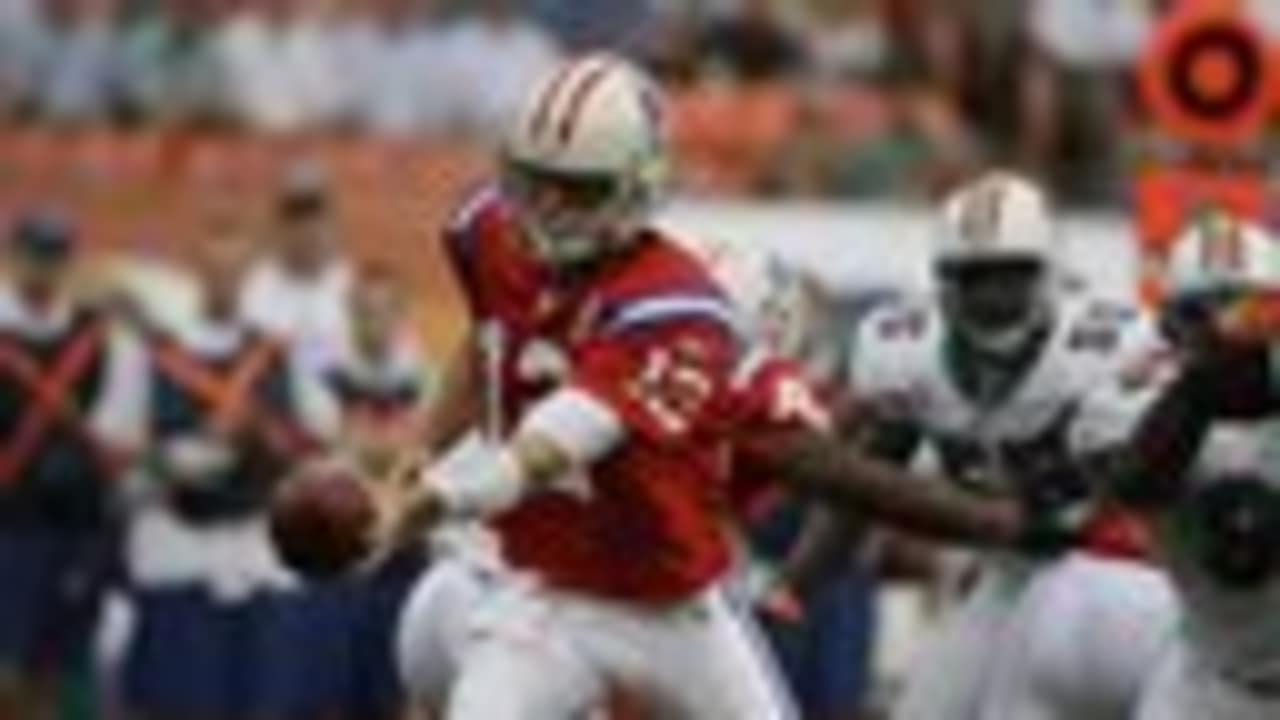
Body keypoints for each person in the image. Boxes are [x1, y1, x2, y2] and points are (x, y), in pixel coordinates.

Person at [379, 54, 1080, 720]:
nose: (549, 211)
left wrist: (440, 494)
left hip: (669, 612)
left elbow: (570, 433)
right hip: (536, 594)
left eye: (579, 191)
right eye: (535, 183)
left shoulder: (678, 315)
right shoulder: (493, 233)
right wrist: (419, 448)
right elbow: (487, 339)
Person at [846, 171, 1176, 720]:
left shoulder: (1109, 345)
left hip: (1117, 569)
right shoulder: (907, 351)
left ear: (1048, 274)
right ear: (945, 283)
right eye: (977, 278)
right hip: (1009, 571)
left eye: (1010, 277)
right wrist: (798, 582)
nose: (994, 296)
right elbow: (867, 481)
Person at [121, 198, 340, 719]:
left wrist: (263, 442)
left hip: (256, 552)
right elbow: (121, 447)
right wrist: (176, 456)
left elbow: (322, 434)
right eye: (213, 264)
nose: (224, 276)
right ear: (196, 267)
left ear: (248, 270)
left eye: (234, 265)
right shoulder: (154, 355)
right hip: (180, 552)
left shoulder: (280, 354)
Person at [1069, 214, 1280, 720]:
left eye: (1251, 311)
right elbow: (1134, 486)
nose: (1231, 332)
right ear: (1168, 323)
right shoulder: (1128, 396)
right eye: (1205, 314)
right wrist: (1199, 392)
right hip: (1213, 685)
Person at [0, 208, 144, 719]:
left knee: (60, 677)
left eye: (56, 256)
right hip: (9, 532)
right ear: (13, 256)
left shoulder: (98, 337)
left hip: (74, 531)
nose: (45, 267)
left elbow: (120, 433)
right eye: (35, 254)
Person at [325, 265, 432, 719]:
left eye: (385, 312)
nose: (375, 323)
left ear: (403, 315)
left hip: (402, 566)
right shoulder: (324, 380)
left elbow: (420, 462)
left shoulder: (429, 383)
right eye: (364, 312)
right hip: (338, 565)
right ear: (349, 316)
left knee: (397, 699)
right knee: (333, 698)